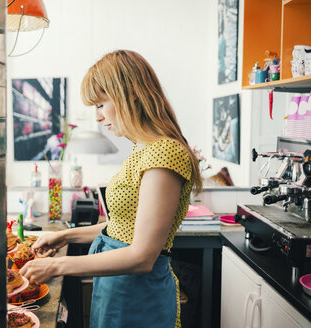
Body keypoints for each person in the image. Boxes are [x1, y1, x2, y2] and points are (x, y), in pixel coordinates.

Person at [20, 50, 203, 328]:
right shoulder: (141, 150)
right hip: (118, 287)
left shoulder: (165, 153)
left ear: (130, 94)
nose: (97, 117)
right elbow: (122, 228)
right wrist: (65, 237)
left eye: (100, 105)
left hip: (140, 295)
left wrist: (57, 266)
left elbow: (141, 255)